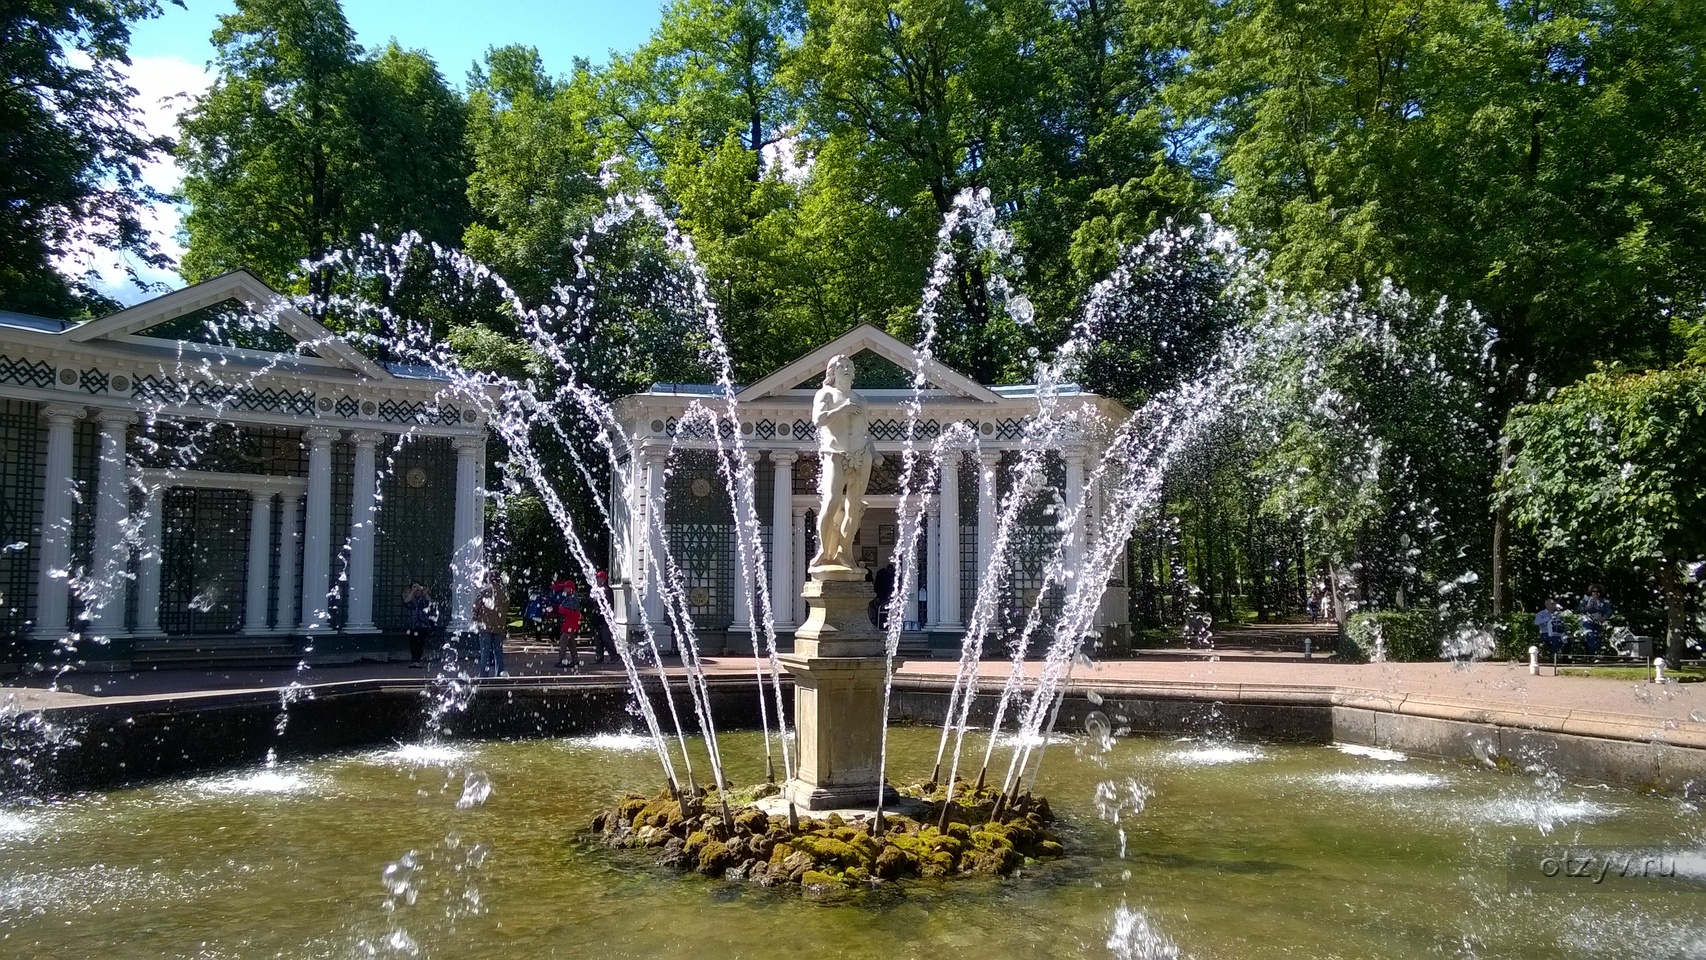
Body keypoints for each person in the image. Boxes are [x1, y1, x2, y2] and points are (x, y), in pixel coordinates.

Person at [809, 355, 877, 571]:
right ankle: (823, 549)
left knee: (854, 507)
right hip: (835, 454)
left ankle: (845, 552)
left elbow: (865, 432)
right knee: (830, 502)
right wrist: (841, 409)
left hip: (861, 455)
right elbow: (818, 420)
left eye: (849, 366)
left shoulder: (861, 399)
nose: (846, 369)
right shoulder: (825, 394)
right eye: (841, 366)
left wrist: (874, 453)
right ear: (832, 372)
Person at [475, 566, 509, 678]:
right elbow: (506, 607)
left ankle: (483, 675)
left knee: (485, 651)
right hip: (499, 625)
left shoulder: (485, 590)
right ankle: (500, 673)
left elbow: (476, 606)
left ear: (489, 578)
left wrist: (476, 617)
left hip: (485, 625)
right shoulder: (504, 592)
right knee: (498, 651)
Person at [589, 570, 619, 664]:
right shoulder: (597, 590)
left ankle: (613, 655)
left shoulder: (606, 590)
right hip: (598, 618)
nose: (597, 580)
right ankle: (599, 656)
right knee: (598, 638)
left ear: (604, 579)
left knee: (605, 638)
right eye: (597, 578)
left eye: (599, 578)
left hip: (605, 618)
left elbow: (607, 604)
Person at [402, 581, 434, 666]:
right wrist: (412, 592)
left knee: (421, 642)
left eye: (418, 587)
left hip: (423, 624)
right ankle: (414, 660)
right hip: (412, 624)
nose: (417, 589)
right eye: (414, 587)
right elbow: (406, 601)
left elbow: (429, 601)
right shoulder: (409, 596)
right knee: (413, 642)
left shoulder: (423, 597)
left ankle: (417, 661)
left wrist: (424, 592)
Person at [555, 578, 583, 669]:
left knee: (563, 642)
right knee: (571, 643)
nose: (564, 589)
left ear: (570, 588)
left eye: (566, 588)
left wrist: (561, 609)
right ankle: (575, 661)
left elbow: (568, 611)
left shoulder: (572, 598)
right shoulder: (572, 597)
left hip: (569, 624)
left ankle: (561, 660)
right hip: (570, 624)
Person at [1578, 585, 1613, 657]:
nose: (1595, 593)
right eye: (1594, 591)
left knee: (1598, 637)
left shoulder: (1604, 601)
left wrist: (1604, 618)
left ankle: (1594, 654)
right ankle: (1591, 656)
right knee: (1590, 635)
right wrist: (1586, 608)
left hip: (1599, 622)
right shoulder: (1586, 599)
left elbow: (1609, 611)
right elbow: (1579, 608)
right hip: (1587, 621)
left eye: (1597, 592)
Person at [873, 560, 897, 629]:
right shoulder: (881, 573)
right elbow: (877, 585)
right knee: (880, 610)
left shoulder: (894, 574)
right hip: (882, 594)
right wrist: (877, 596)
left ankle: (889, 624)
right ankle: (880, 624)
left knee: (889, 610)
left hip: (890, 594)